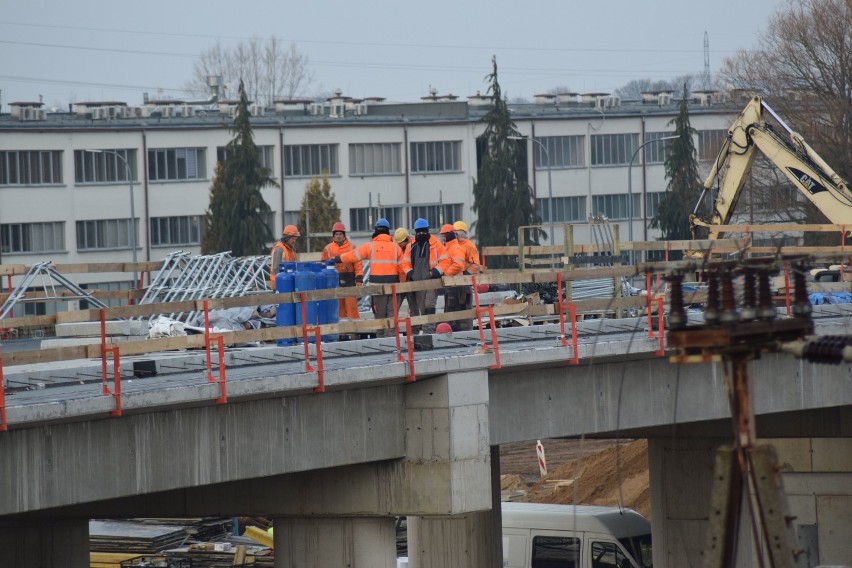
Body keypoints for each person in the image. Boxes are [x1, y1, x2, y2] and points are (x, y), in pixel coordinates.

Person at [334, 218, 403, 338]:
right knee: (392, 319)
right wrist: (402, 286)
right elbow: (402, 270)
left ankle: (381, 343)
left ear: (376, 230)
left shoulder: (370, 246)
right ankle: (392, 344)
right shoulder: (396, 248)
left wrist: (338, 258)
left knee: (379, 319)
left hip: (376, 288)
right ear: (388, 231)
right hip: (393, 288)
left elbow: (353, 256)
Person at [401, 218, 449, 334]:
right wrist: (409, 273)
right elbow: (405, 262)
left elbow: (445, 261)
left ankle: (429, 334)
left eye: (423, 231)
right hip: (415, 284)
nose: (421, 234)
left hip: (431, 283)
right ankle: (414, 336)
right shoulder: (411, 246)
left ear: (427, 231)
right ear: (415, 231)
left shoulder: (436, 245)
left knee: (429, 308)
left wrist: (434, 272)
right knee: (416, 311)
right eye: (418, 231)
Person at [321, 221, 362, 320]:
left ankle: (354, 333)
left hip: (350, 281)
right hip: (334, 281)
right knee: (339, 309)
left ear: (344, 235)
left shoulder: (352, 247)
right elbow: (322, 267)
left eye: (340, 234)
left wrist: (359, 279)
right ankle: (342, 334)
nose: (338, 236)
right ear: (333, 235)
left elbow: (358, 264)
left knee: (352, 308)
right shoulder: (328, 249)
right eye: (336, 234)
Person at [439, 224, 470, 331]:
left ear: (450, 235)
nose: (443, 237)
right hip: (452, 285)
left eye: (444, 235)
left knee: (456, 315)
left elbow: (458, 265)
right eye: (442, 235)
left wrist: (445, 273)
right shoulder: (448, 248)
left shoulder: (455, 248)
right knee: (450, 313)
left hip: (457, 286)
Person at [393, 227, 416, 315]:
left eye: (400, 243)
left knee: (413, 307)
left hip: (410, 281)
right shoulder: (397, 248)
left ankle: (415, 328)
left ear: (406, 239)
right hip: (400, 282)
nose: (398, 245)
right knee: (394, 307)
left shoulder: (414, 246)